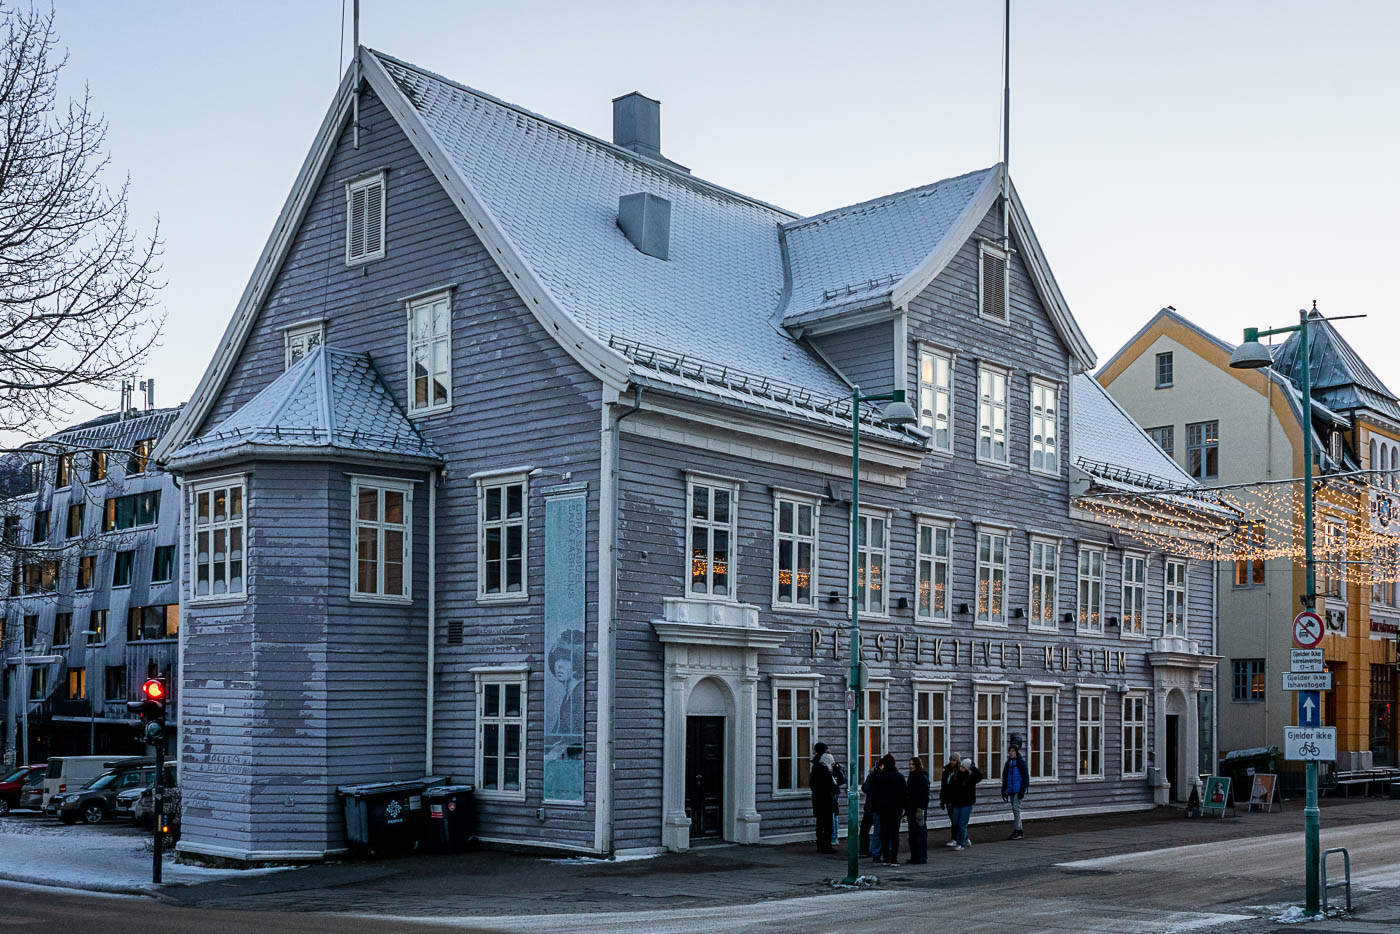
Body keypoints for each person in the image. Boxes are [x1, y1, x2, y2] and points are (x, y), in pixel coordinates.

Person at [868, 753, 907, 865]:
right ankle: (893, 858)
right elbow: (904, 794)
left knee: (884, 834)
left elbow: (874, 794)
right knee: (894, 834)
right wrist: (904, 808)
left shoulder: (880, 777)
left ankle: (885, 858)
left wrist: (876, 807)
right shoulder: (899, 776)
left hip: (882, 809)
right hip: (896, 809)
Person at [946, 757, 984, 851]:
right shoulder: (956, 775)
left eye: (963, 767)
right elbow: (950, 788)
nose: (961, 768)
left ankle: (960, 843)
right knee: (955, 823)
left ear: (967, 768)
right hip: (956, 803)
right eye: (961, 766)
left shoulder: (971, 776)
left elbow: (979, 776)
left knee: (962, 823)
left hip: (966, 803)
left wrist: (973, 768)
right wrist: (949, 800)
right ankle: (965, 838)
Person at [809, 744, 837, 853]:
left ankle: (820, 845)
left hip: (817, 799)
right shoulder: (825, 769)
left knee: (820, 823)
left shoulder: (815, 767)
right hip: (826, 799)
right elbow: (832, 785)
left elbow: (812, 784)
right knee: (828, 824)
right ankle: (827, 846)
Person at [1001, 740, 1030, 840]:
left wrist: (1022, 790)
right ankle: (1020, 830)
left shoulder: (1020, 762)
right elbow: (1005, 778)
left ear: (1016, 752)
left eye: (1013, 751)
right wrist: (1003, 791)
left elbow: (1026, 777)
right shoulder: (1008, 764)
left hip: (1018, 789)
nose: (1011, 753)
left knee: (1016, 808)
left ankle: (1017, 830)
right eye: (1010, 751)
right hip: (1011, 790)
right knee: (1015, 809)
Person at [905, 756, 930, 864]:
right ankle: (914, 855)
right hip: (911, 809)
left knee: (920, 833)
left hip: (919, 809)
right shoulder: (911, 777)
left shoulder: (922, 777)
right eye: (910, 764)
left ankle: (921, 856)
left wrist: (922, 809)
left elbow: (925, 795)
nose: (910, 766)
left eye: (912, 764)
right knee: (912, 835)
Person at [860, 759, 882, 859]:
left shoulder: (872, 777)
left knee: (865, 830)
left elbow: (865, 788)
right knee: (877, 830)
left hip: (870, 808)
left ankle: (865, 850)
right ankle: (877, 850)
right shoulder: (881, 776)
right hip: (875, 808)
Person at [939, 753, 961, 848]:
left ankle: (956, 838)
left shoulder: (959, 771)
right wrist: (942, 800)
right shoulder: (946, 771)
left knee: (956, 819)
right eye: (951, 760)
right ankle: (959, 837)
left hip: (956, 799)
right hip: (948, 798)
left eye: (954, 760)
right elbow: (943, 786)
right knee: (953, 819)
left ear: (957, 761)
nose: (952, 762)